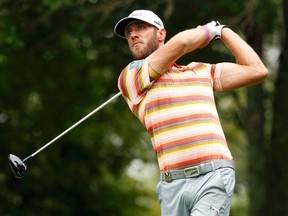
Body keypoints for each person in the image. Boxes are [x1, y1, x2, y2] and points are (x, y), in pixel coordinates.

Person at [114, 9, 268, 216]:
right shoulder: (131, 76)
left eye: (141, 27)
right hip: (171, 186)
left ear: (161, 34)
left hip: (212, 177)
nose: (133, 34)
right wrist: (207, 31)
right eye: (129, 31)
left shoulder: (201, 71)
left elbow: (257, 70)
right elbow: (182, 44)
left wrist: (223, 31)